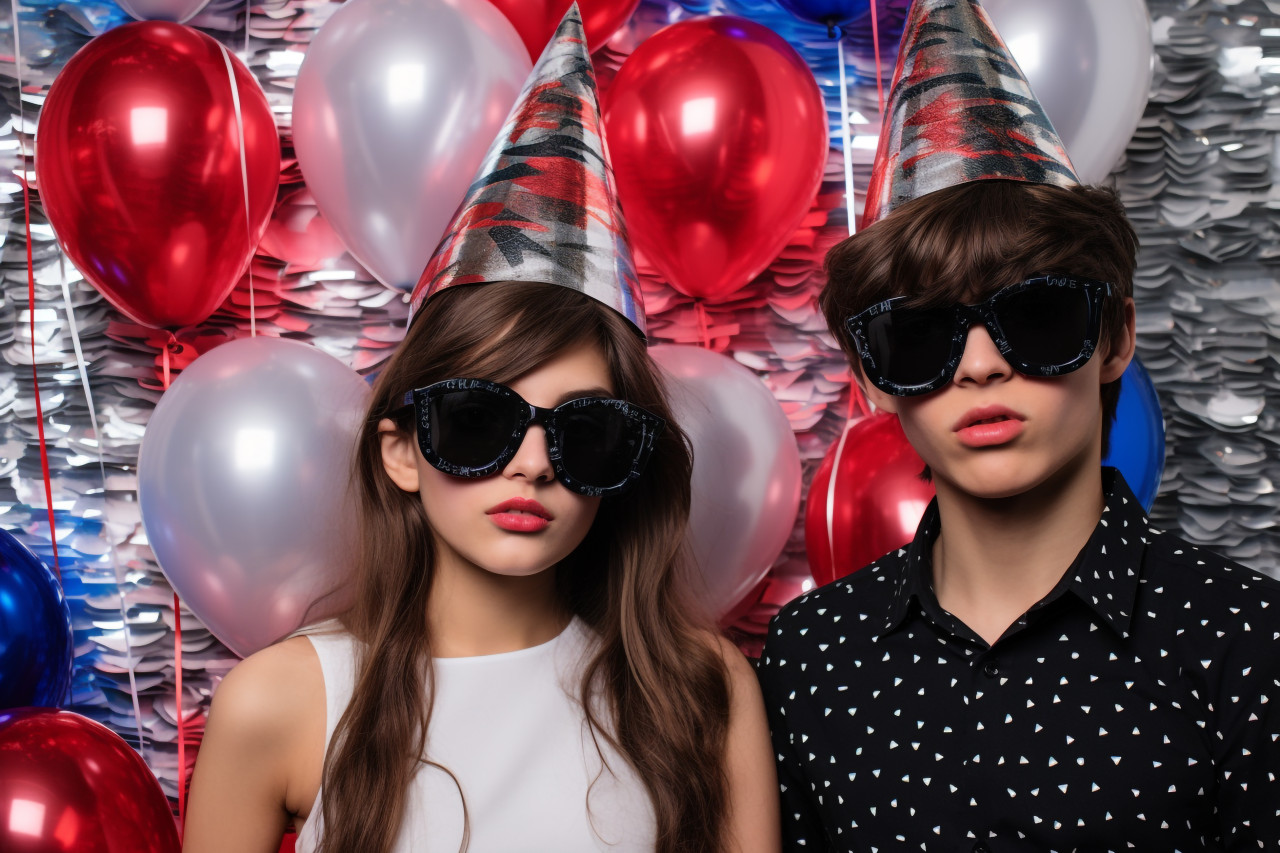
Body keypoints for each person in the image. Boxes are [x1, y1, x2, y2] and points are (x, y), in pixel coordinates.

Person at [181, 8, 779, 852]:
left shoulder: (702, 686)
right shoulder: (279, 702)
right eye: (478, 421)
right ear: (400, 450)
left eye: (585, 432)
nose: (533, 465)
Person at [756, 1, 1280, 850]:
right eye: (920, 335)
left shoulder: (1250, 641)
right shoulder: (812, 656)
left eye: (1034, 317)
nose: (979, 366)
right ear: (872, 380)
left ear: (1115, 338)